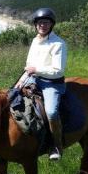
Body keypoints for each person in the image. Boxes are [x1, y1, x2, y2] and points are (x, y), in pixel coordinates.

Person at [15, 8, 67, 161]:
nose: (42, 25)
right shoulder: (35, 40)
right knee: (12, 96)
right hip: (33, 78)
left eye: (46, 22)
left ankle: (56, 145)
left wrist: (36, 70)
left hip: (52, 83)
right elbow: (29, 64)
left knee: (51, 112)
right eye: (40, 23)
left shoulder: (58, 44)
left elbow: (58, 70)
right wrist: (21, 80)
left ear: (51, 25)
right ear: (35, 25)